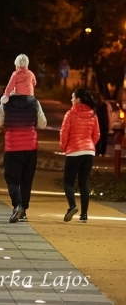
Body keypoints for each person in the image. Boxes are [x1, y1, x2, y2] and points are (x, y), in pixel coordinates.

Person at [0, 91, 47, 223]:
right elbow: (43, 123)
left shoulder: (6, 103)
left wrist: (3, 105)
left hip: (13, 148)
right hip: (30, 147)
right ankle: (23, 211)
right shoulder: (34, 102)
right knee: (26, 181)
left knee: (12, 180)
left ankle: (18, 205)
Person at [60, 88, 100, 223]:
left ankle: (72, 206)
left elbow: (64, 133)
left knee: (68, 183)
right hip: (89, 152)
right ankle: (84, 215)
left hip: (74, 151)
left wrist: (64, 147)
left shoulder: (70, 114)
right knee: (83, 183)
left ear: (77, 99)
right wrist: (89, 146)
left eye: (72, 98)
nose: (71, 100)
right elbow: (97, 135)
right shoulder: (93, 115)